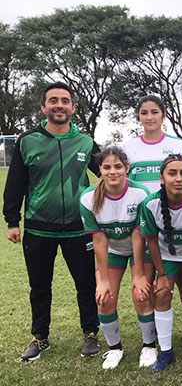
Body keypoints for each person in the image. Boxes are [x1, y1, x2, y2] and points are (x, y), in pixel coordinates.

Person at [3, 81, 101, 361]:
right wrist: (13, 220)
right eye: (53, 100)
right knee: (39, 286)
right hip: (38, 228)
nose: (59, 105)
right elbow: (16, 183)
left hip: (78, 227)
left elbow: (108, 174)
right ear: (44, 106)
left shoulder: (85, 141)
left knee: (85, 283)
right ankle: (40, 337)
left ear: (72, 107)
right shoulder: (27, 141)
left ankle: (91, 334)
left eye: (65, 100)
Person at [122, 95, 182, 348]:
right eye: (144, 112)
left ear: (163, 115)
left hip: (179, 224)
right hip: (144, 225)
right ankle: (156, 331)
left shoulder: (177, 145)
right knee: (155, 279)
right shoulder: (129, 147)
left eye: (154, 112)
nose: (149, 117)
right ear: (138, 117)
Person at [79, 147, 156, 369]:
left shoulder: (140, 193)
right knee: (104, 298)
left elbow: (138, 234)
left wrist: (139, 274)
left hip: (138, 247)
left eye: (118, 167)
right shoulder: (88, 198)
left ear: (127, 169)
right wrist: (103, 280)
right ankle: (115, 349)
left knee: (141, 295)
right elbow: (100, 240)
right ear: (99, 170)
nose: (113, 172)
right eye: (106, 167)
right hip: (112, 250)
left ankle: (149, 346)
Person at [137, 155, 182, 373]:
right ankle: (166, 352)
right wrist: (161, 275)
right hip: (167, 255)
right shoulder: (150, 204)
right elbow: (151, 240)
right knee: (160, 293)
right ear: (161, 178)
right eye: (172, 173)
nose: (178, 178)